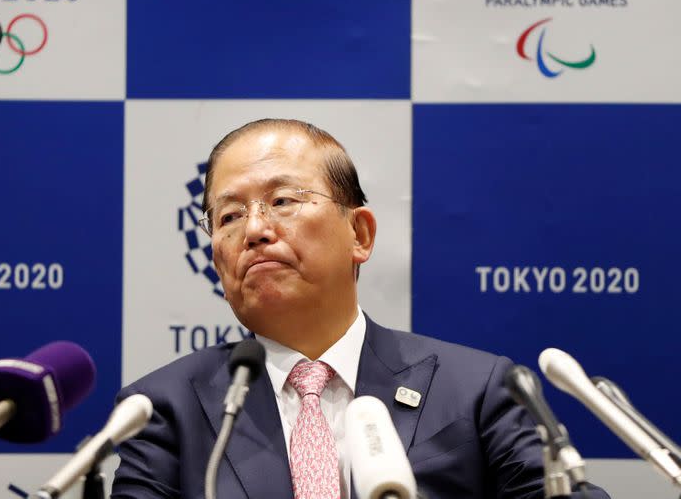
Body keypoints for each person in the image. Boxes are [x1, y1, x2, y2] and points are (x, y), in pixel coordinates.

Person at [111, 119, 608, 499]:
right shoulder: (164, 408)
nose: (255, 229)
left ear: (360, 234)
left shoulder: (477, 390)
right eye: (230, 215)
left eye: (282, 200)